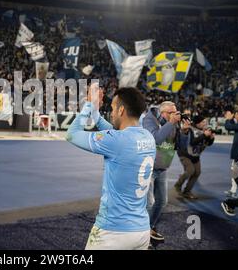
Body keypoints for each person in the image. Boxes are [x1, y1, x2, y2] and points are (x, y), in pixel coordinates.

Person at [66, 85, 156, 250]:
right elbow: (115, 134)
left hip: (113, 232)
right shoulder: (147, 137)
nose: (112, 112)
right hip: (141, 230)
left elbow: (72, 134)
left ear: (121, 110)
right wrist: (96, 113)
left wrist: (89, 106)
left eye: (113, 108)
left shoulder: (116, 140)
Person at [141, 101, 181, 242]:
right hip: (148, 168)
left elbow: (179, 145)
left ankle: (149, 227)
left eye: (176, 112)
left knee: (162, 201)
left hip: (162, 167)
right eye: (172, 113)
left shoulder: (171, 122)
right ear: (163, 112)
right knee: (148, 203)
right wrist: (170, 123)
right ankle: (142, 237)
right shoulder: (149, 119)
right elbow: (155, 139)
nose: (175, 116)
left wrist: (186, 130)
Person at [174, 115, 215, 199]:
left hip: (195, 155)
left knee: (197, 172)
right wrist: (204, 135)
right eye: (203, 122)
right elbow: (192, 142)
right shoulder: (190, 130)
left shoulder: (205, 130)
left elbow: (208, 143)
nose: (205, 123)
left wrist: (211, 138)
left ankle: (187, 191)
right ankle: (178, 185)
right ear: (198, 123)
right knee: (190, 170)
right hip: (185, 154)